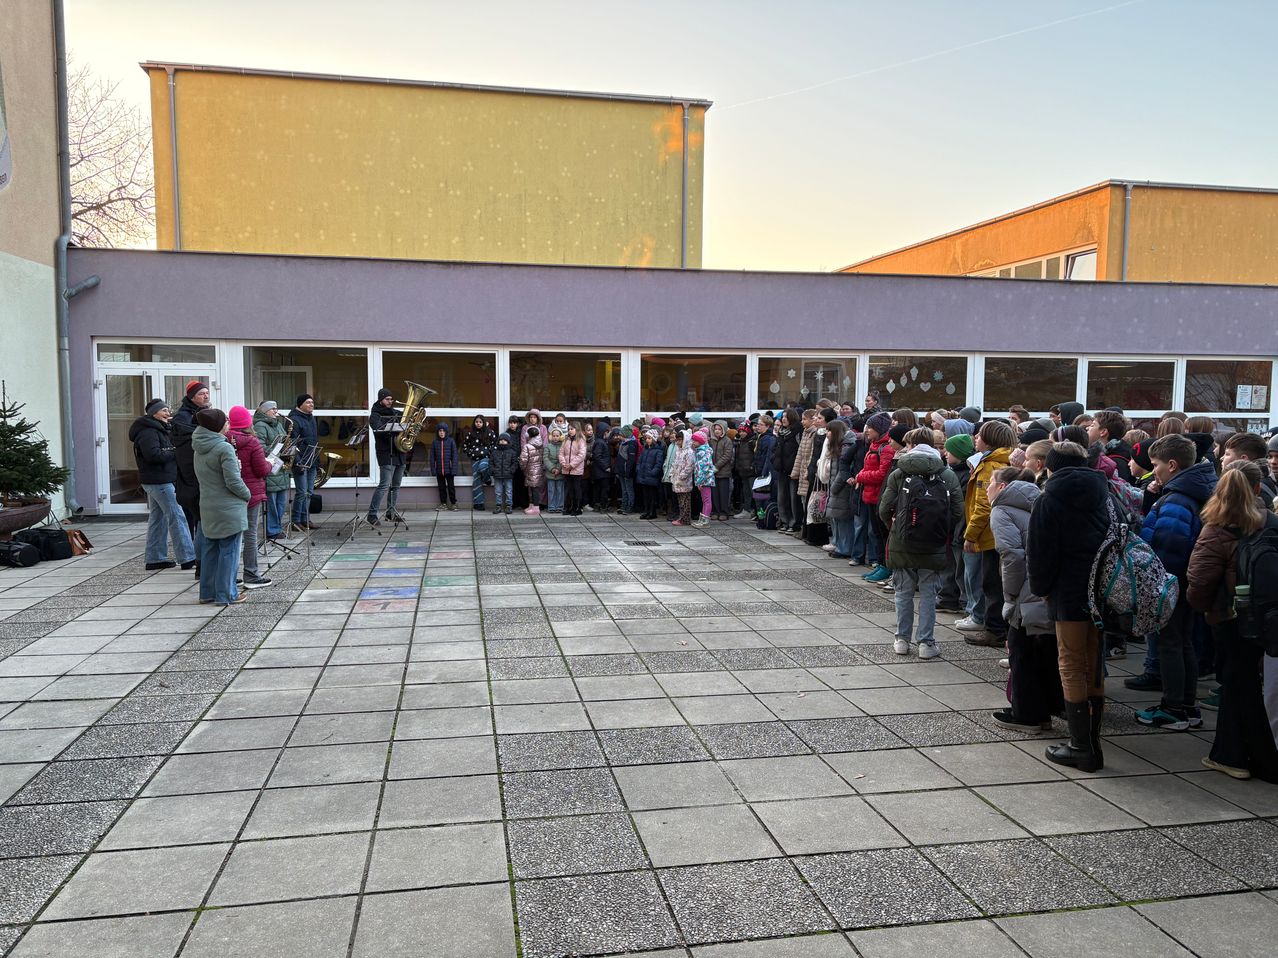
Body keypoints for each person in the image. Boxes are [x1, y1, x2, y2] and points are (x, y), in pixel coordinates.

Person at [1187, 462, 1278, 781]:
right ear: (1256, 488)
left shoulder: (1216, 526)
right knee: (1240, 683)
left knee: (1241, 687)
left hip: (1229, 617)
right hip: (1264, 617)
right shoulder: (1269, 521)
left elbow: (1199, 580)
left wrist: (1200, 608)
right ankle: (1229, 754)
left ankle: (1264, 762)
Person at [1028, 441, 1112, 772]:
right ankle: (1092, 743)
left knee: (1071, 663)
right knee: (1092, 662)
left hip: (1069, 590)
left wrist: (1042, 590)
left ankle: (1081, 747)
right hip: (1103, 589)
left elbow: (1039, 551)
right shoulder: (1105, 493)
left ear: (1050, 466)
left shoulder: (1049, 499)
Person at [1135, 433, 1218, 729]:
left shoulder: (1179, 499)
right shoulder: (1192, 490)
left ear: (1171, 464)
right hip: (1184, 584)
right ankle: (1187, 705)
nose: (1153, 470)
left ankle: (1173, 707)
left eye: (1156, 464)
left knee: (1171, 643)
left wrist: (1156, 584)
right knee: (1183, 643)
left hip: (1170, 583)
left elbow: (1170, 544)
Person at [989, 466, 1062, 729]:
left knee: (1021, 650)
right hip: (1047, 585)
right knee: (1044, 650)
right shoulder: (1040, 502)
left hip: (1027, 590)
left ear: (1002, 487)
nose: (987, 488)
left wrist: (1010, 596)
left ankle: (1028, 714)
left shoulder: (1001, 510)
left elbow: (1012, 555)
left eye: (990, 482)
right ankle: (1045, 709)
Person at [879, 427, 962, 659]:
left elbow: (884, 508)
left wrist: (895, 527)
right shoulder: (946, 474)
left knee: (903, 591)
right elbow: (957, 511)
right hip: (934, 542)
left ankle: (902, 640)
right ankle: (926, 643)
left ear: (912, 445)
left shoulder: (899, 472)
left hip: (902, 540)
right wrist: (941, 530)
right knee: (928, 592)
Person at [963, 420, 1015, 647]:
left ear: (989, 440)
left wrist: (970, 534)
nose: (975, 438)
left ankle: (994, 630)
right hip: (1002, 532)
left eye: (979, 435)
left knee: (991, 583)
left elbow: (983, 505)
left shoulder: (990, 466)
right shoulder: (1007, 461)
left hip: (991, 534)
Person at [191, 408, 251, 606]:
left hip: (208, 505)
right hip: (228, 507)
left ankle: (207, 593)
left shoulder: (199, 446)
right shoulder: (223, 448)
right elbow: (233, 481)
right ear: (216, 426)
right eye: (225, 421)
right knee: (229, 551)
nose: (228, 424)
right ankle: (227, 594)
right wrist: (247, 494)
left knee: (210, 550)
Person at [130, 398, 196, 571]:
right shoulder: (148, 432)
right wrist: (175, 452)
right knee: (177, 516)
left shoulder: (160, 429)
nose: (169, 413)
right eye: (164, 410)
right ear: (154, 413)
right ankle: (188, 558)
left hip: (157, 480)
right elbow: (153, 456)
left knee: (157, 519)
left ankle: (155, 558)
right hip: (159, 481)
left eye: (168, 409)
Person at [226, 406, 273, 589]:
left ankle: (229, 575)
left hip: (230, 493)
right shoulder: (252, 442)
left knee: (232, 535)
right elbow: (261, 469)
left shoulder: (223, 439)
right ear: (248, 422)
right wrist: (270, 464)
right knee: (250, 534)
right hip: (251, 492)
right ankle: (251, 574)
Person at [855, 411, 896, 582]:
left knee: (882, 534)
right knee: (877, 534)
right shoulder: (873, 446)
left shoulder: (885, 448)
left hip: (879, 497)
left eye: (870, 428)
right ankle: (880, 564)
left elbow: (881, 474)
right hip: (870, 496)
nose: (867, 430)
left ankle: (886, 566)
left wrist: (860, 476)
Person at [943, 431, 979, 621]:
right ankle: (953, 598)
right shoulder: (952, 472)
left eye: (949, 451)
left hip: (961, 528)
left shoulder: (965, 475)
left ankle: (968, 604)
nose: (945, 454)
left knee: (964, 570)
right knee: (954, 567)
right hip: (953, 528)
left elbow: (962, 506)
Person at [172, 380, 210, 536]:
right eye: (202, 394)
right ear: (192, 397)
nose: (206, 396)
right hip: (190, 471)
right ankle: (194, 551)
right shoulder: (183, 416)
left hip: (198, 470)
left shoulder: (203, 410)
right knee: (193, 514)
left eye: (207, 393)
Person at [252, 401, 290, 540]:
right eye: (273, 408)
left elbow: (285, 441)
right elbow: (260, 447)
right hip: (271, 467)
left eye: (276, 408)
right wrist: (277, 453)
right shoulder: (260, 425)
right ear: (265, 411)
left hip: (281, 468)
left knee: (280, 502)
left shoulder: (278, 424)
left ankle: (277, 527)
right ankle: (272, 530)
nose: (276, 411)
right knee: (272, 503)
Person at [367, 389, 406, 524]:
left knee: (395, 486)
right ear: (381, 399)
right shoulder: (375, 415)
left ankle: (391, 512)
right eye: (388, 399)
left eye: (391, 399)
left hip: (399, 453)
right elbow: (379, 431)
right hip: (385, 453)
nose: (390, 402)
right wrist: (395, 429)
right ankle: (372, 515)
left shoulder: (395, 413)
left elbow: (408, 419)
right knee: (384, 485)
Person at [288, 394, 320, 530]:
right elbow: (292, 443)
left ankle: (305, 519)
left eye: (312, 402)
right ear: (300, 404)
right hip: (300, 461)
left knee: (309, 492)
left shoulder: (311, 418)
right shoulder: (293, 420)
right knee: (301, 492)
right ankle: (295, 521)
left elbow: (314, 440)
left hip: (311, 459)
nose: (311, 405)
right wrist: (298, 461)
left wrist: (317, 461)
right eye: (308, 402)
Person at [824, 421, 855, 559]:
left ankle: (845, 548)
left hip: (843, 489)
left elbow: (843, 470)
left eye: (829, 431)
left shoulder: (846, 445)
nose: (827, 433)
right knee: (838, 519)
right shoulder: (840, 444)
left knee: (844, 520)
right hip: (837, 488)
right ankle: (841, 546)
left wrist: (834, 488)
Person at [772, 409, 802, 533]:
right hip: (781, 469)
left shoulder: (798, 431)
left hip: (793, 470)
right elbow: (776, 450)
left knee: (793, 498)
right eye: (782, 416)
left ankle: (794, 523)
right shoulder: (781, 432)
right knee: (782, 497)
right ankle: (784, 521)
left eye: (786, 417)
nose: (783, 419)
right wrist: (774, 461)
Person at [462, 413, 496, 512]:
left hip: (486, 457)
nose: (478, 423)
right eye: (476, 422)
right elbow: (465, 446)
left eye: (480, 422)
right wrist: (470, 453)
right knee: (477, 480)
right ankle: (478, 503)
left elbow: (495, 444)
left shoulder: (490, 432)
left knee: (483, 467)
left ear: (484, 423)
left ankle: (487, 478)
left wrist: (489, 452)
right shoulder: (470, 433)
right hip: (474, 459)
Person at [559, 422, 587, 516]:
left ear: (577, 429)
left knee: (576, 489)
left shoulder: (581, 440)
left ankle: (577, 507)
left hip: (576, 469)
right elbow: (561, 453)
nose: (570, 431)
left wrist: (571, 465)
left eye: (572, 429)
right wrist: (564, 464)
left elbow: (581, 455)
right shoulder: (565, 440)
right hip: (566, 469)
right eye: (569, 429)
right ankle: (569, 507)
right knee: (570, 489)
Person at [430, 422, 460, 510]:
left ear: (446, 432)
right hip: (439, 470)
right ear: (437, 432)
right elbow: (432, 458)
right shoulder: (435, 442)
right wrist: (433, 470)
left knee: (451, 487)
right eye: (440, 431)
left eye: (443, 431)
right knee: (441, 488)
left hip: (449, 470)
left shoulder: (451, 441)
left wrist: (454, 470)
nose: (441, 433)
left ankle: (454, 503)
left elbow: (454, 456)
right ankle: (443, 504)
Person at [636, 429, 664, 519]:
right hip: (644, 476)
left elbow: (658, 464)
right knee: (645, 495)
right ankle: (646, 511)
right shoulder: (645, 449)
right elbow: (640, 461)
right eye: (646, 438)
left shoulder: (658, 451)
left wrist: (653, 472)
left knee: (652, 496)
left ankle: (652, 512)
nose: (647, 440)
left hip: (651, 477)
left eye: (649, 438)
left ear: (654, 439)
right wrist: (638, 469)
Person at [670, 429, 695, 526]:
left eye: (680, 440)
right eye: (677, 440)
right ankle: (682, 517)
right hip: (677, 480)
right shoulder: (678, 451)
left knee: (685, 501)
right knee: (681, 501)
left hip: (684, 481)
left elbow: (689, 467)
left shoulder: (689, 452)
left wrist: (681, 477)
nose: (678, 442)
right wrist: (672, 474)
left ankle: (685, 519)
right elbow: (674, 463)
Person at [709, 421, 734, 520]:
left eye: (719, 429)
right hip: (713, 472)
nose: (717, 431)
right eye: (715, 429)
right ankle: (716, 511)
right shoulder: (712, 441)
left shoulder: (727, 440)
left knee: (723, 493)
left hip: (723, 472)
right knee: (714, 493)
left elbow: (727, 456)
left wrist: (717, 466)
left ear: (723, 429)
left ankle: (724, 512)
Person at [489, 432, 518, 514]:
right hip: (497, 475)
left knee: (508, 491)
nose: (502, 441)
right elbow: (491, 462)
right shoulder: (495, 452)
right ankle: (498, 506)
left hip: (508, 475)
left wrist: (511, 470)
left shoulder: (512, 452)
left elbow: (515, 463)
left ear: (508, 441)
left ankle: (509, 506)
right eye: (501, 440)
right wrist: (493, 470)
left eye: (505, 440)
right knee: (498, 491)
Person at [691, 431, 715, 528]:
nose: (693, 442)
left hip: (705, 480)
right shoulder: (701, 451)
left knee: (706, 500)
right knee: (705, 500)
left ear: (700, 441)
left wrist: (700, 481)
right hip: (704, 479)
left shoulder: (702, 452)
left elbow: (703, 468)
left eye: (694, 440)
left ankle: (705, 521)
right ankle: (703, 519)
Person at [589, 418, 613, 512]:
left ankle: (599, 505)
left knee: (599, 489)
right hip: (602, 472)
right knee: (604, 489)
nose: (609, 434)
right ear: (604, 432)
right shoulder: (600, 442)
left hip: (600, 472)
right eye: (608, 432)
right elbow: (597, 456)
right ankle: (603, 506)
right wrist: (606, 467)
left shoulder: (601, 441)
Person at [521, 425, 545, 516]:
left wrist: (523, 468)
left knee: (533, 489)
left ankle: (535, 507)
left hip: (530, 469)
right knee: (535, 488)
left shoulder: (527, 446)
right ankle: (532, 505)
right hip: (539, 469)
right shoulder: (541, 445)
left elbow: (523, 460)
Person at [617, 426, 639, 514]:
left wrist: (628, 472)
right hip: (622, 471)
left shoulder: (632, 444)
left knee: (629, 489)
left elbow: (631, 461)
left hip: (627, 472)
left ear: (625, 435)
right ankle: (624, 505)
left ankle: (630, 506)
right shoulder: (623, 443)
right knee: (624, 489)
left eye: (621, 435)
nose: (619, 437)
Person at [544, 427, 565, 514]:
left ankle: (560, 506)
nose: (555, 437)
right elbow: (545, 458)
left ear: (560, 436)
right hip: (550, 472)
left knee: (560, 490)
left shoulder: (563, 446)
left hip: (560, 472)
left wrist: (559, 469)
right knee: (551, 490)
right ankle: (551, 506)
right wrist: (552, 468)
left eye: (557, 435)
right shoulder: (548, 446)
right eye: (554, 435)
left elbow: (564, 458)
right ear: (551, 436)